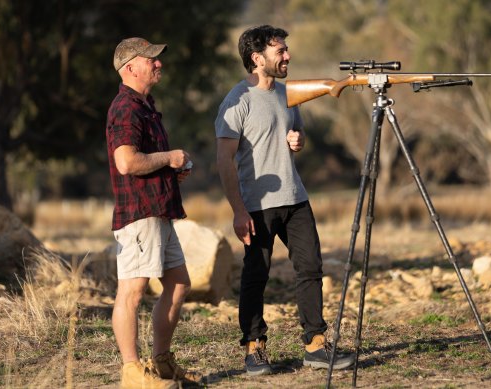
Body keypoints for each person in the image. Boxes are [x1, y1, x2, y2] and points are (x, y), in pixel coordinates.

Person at [215, 25, 354, 376]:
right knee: (256, 275)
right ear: (257, 58)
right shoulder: (237, 101)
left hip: (296, 197)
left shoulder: (288, 94)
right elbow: (224, 160)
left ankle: (316, 345)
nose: (288, 56)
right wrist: (237, 210)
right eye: (281, 51)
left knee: (311, 268)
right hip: (257, 205)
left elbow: (297, 133)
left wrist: (298, 140)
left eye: (287, 49)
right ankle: (254, 347)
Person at [106, 37, 203, 389]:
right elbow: (127, 162)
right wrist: (169, 157)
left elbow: (142, 160)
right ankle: (131, 372)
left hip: (158, 212)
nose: (159, 64)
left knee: (179, 284)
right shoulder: (125, 107)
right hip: (140, 214)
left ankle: (161, 363)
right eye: (152, 59)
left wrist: (171, 168)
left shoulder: (145, 106)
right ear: (131, 67)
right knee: (132, 291)